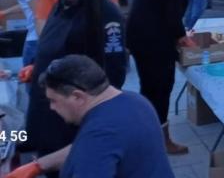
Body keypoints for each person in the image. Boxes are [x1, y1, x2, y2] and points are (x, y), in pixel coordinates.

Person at [25, 0, 128, 167]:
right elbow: (50, 42)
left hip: (73, 109)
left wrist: (96, 110)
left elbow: (115, 67)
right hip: (47, 103)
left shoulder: (105, 12)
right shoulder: (62, 5)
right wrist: (36, 65)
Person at [7, 55, 172, 178]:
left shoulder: (100, 133)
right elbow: (85, 147)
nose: (51, 107)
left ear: (77, 97)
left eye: (53, 100)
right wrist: (38, 166)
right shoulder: (135, 101)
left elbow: (94, 146)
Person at [127, 0, 205, 155]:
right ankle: (162, 140)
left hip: (137, 38)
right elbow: (173, 19)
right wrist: (185, 41)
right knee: (161, 88)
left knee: (148, 87)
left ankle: (145, 132)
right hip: (155, 43)